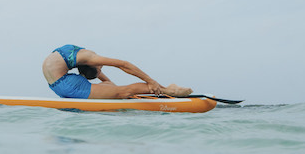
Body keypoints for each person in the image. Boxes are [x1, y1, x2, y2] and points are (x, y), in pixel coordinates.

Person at [43, 45, 193, 100]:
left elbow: (96, 71)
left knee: (113, 88)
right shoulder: (81, 54)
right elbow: (124, 64)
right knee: (122, 92)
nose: (102, 69)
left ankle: (167, 89)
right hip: (66, 85)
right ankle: (169, 90)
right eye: (101, 69)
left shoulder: (88, 59)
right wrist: (152, 81)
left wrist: (110, 86)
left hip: (59, 84)